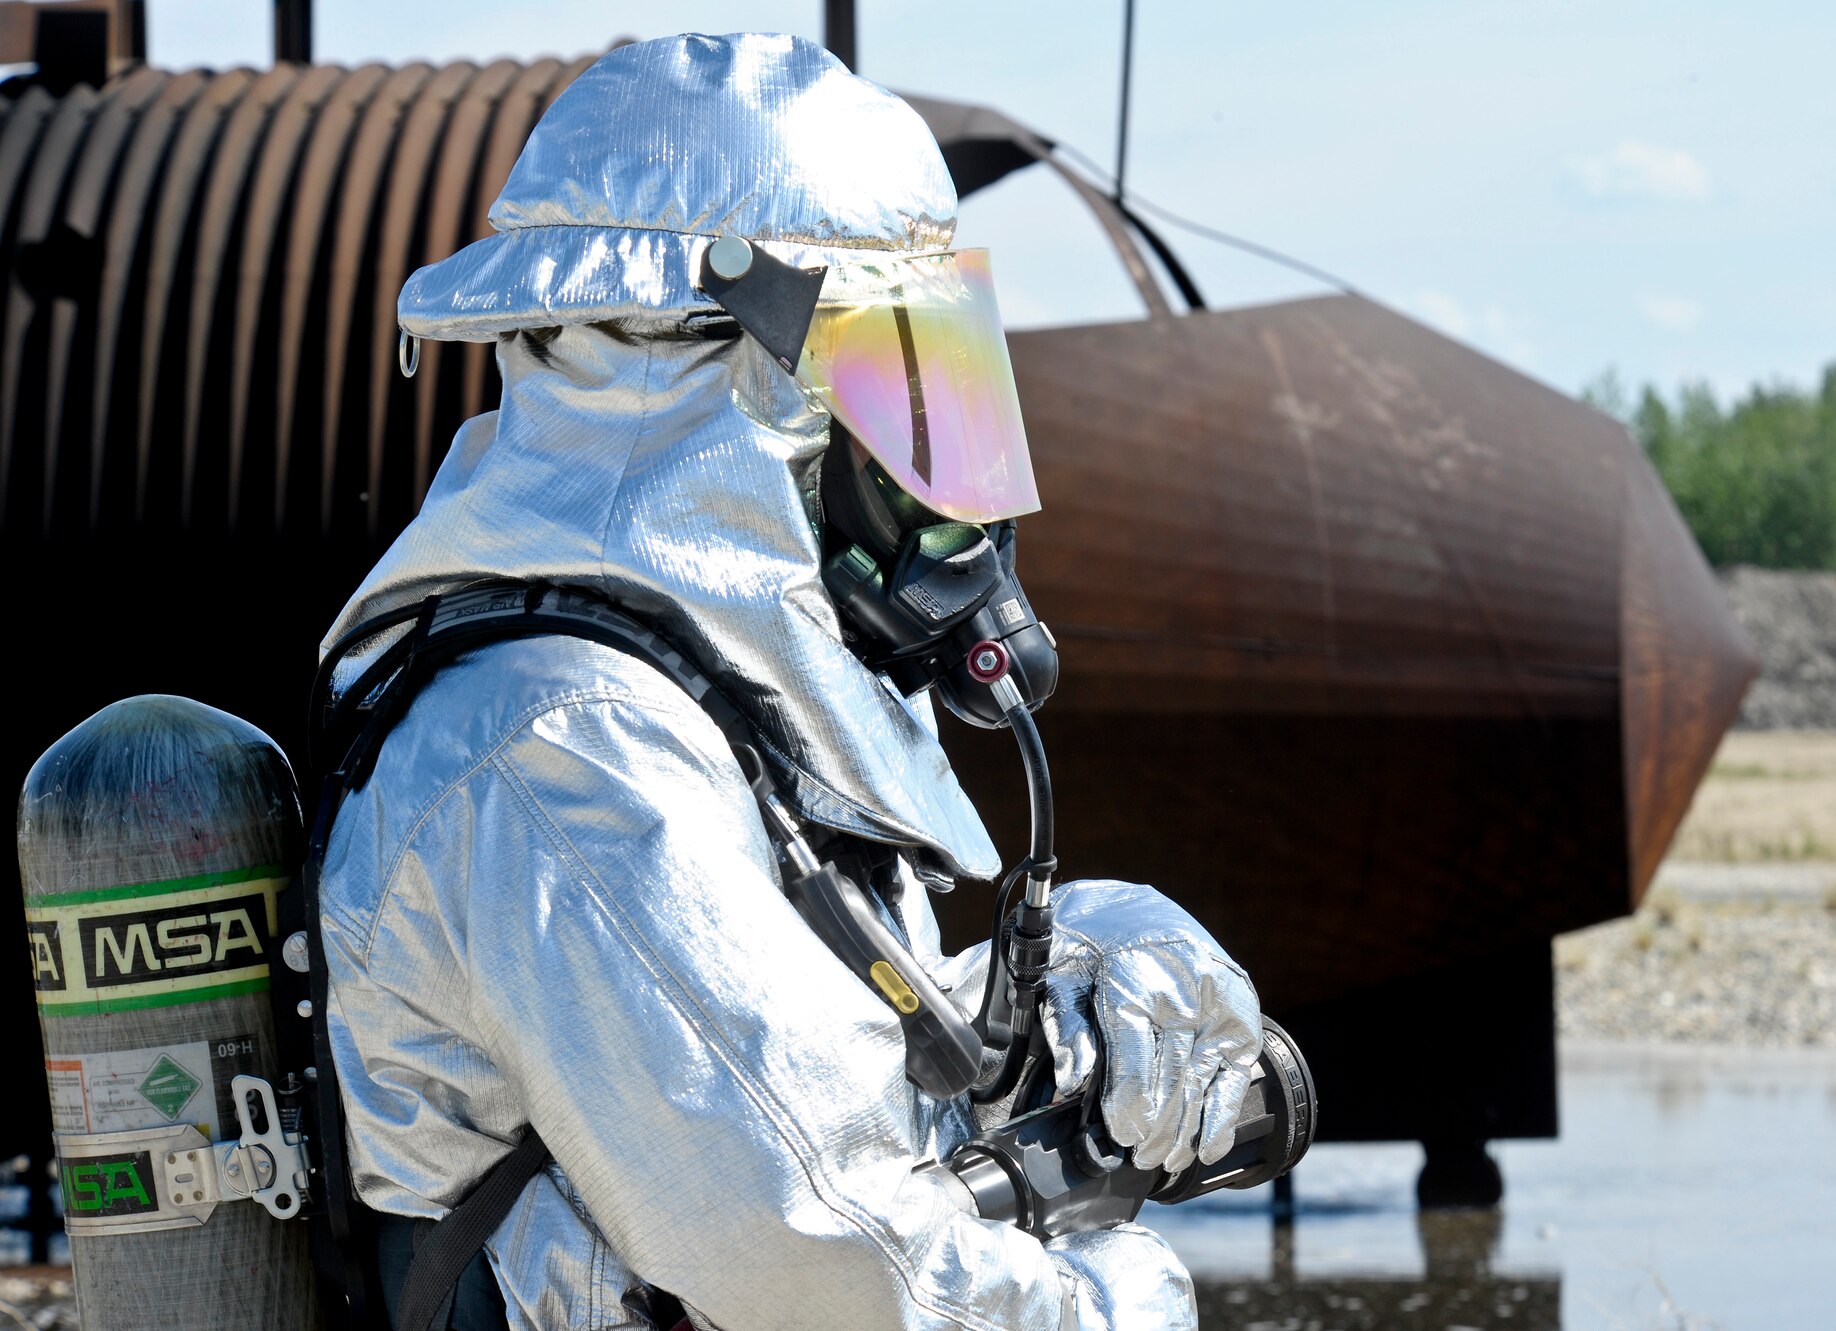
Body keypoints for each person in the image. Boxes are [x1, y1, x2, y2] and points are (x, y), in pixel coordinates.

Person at [320, 33, 1263, 1331]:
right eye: (909, 395)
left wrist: (1096, 963)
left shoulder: (673, 705)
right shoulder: (564, 742)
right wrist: (1113, 1303)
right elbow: (820, 1258)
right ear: (735, 373)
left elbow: (810, 1044)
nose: (944, 495)